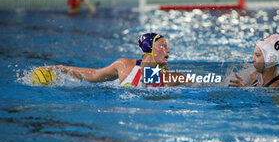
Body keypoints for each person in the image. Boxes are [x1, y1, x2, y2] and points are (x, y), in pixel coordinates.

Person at [38, 33, 186, 87]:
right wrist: (60, 68)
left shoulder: (174, 78)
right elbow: (93, 75)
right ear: (149, 48)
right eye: (163, 46)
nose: (168, 51)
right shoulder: (123, 65)